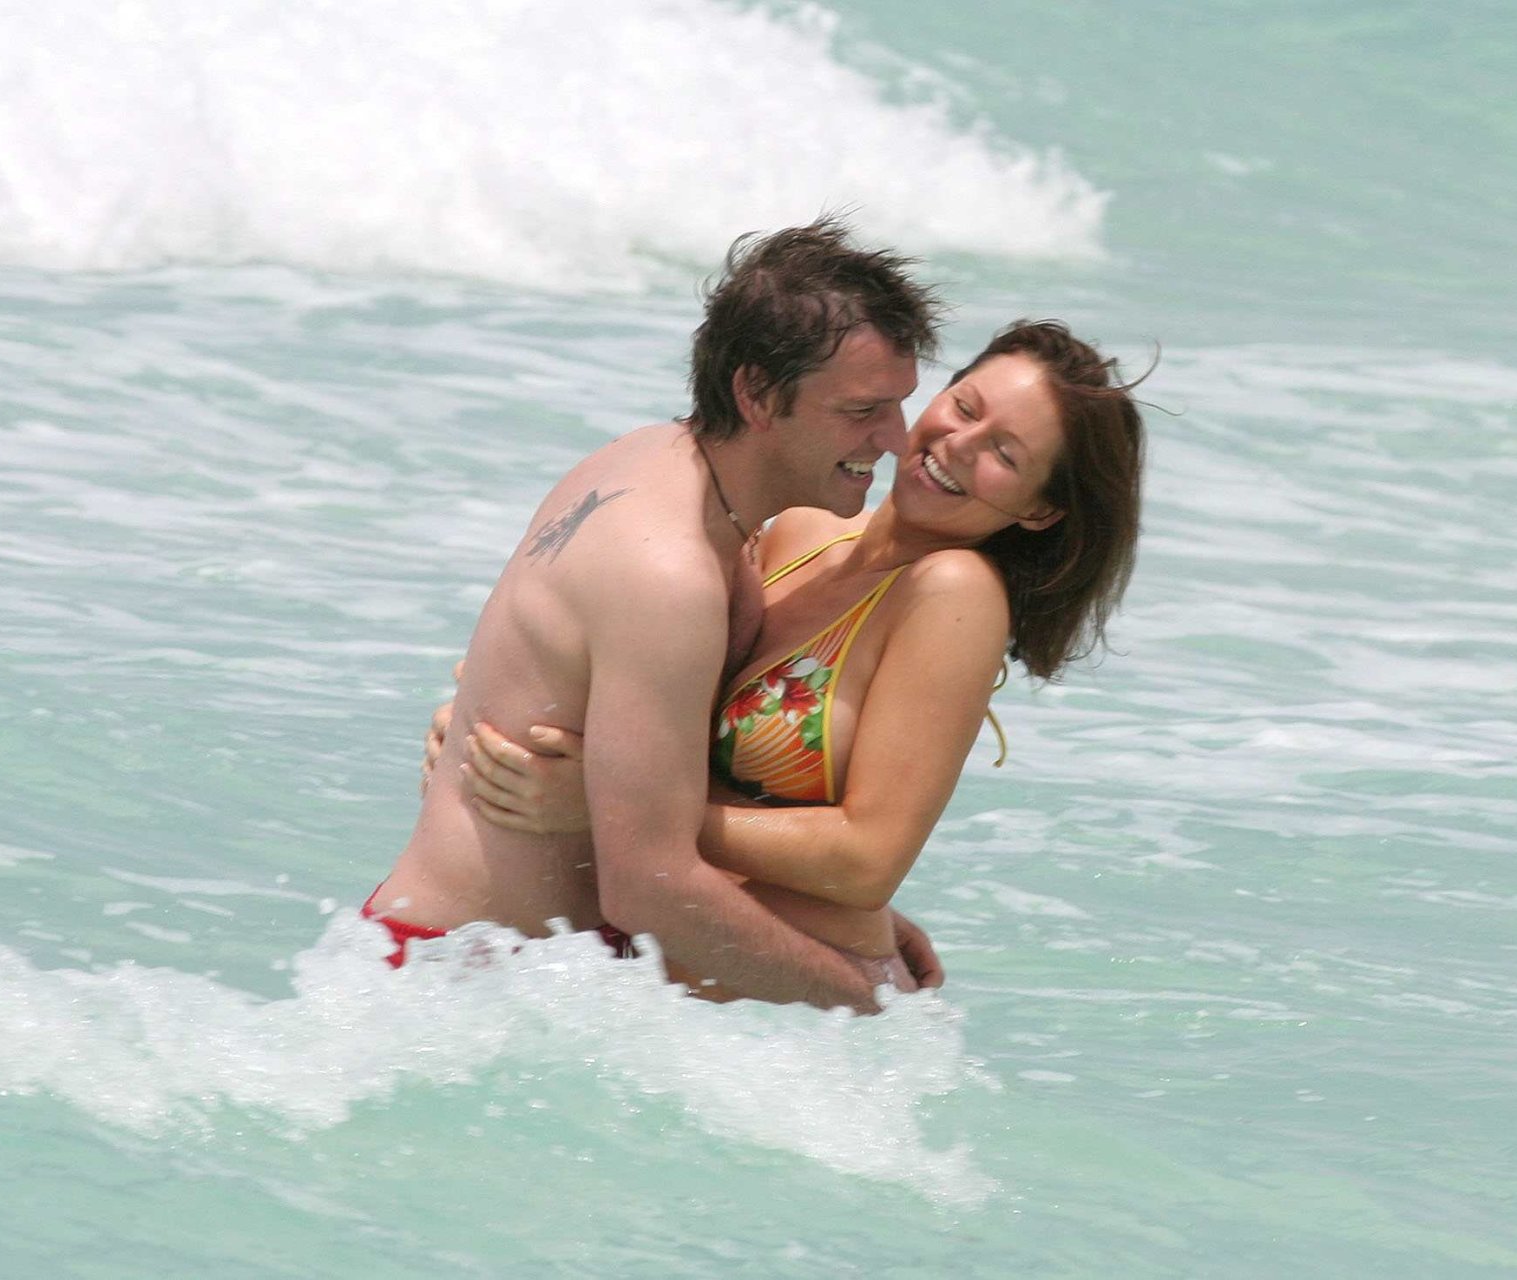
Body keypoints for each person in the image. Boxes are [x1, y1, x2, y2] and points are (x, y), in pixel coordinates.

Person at [453, 319, 1147, 998]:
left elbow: (867, 859)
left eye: (1005, 454)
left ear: (1038, 512)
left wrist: (613, 808)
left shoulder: (952, 593)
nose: (959, 444)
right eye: (964, 407)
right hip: (685, 961)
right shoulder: (803, 531)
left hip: (787, 1004)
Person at [363, 218, 943, 1013]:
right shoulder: (669, 573)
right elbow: (648, 886)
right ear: (755, 395)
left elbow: (645, 788)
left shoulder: (651, 462)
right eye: (861, 410)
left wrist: (841, 920)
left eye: (898, 406)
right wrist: (872, 1000)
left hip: (514, 976)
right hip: (458, 988)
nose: (895, 439)